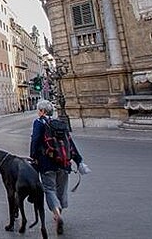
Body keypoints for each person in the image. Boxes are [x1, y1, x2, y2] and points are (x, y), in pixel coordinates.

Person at [29, 100, 90, 235]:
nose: (38, 112)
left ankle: (56, 213)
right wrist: (78, 161)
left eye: (39, 110)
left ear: (43, 111)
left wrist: (33, 157)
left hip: (47, 163)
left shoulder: (39, 123)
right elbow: (70, 143)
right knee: (61, 190)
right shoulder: (60, 124)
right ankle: (59, 214)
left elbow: (35, 140)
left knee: (49, 189)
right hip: (64, 163)